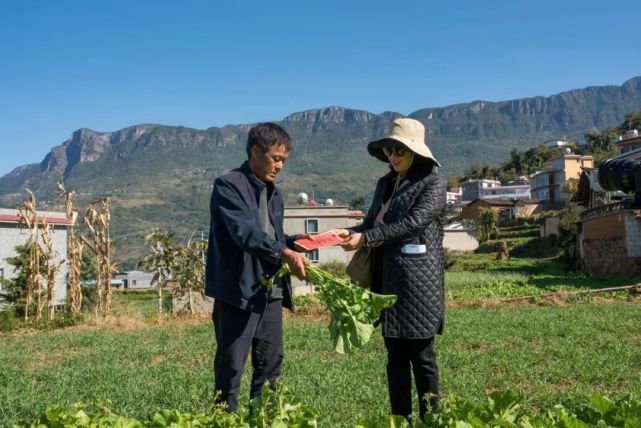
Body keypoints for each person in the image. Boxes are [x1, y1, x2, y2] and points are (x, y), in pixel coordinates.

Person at [336, 118, 446, 420]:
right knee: (394, 357)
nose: (393, 156)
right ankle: (401, 419)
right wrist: (350, 232)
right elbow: (373, 222)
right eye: (389, 150)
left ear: (416, 151)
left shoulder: (433, 182)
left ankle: (431, 420)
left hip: (417, 283)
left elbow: (414, 224)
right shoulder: (385, 184)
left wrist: (366, 238)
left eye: (399, 150)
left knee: (422, 357)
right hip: (386, 278)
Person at [205, 122, 310, 412]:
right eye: (276, 158)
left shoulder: (274, 192)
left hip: (270, 291)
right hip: (239, 291)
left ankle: (263, 418)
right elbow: (246, 233)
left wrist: (296, 242)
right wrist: (284, 251)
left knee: (270, 364)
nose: (280, 166)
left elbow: (271, 237)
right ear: (255, 151)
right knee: (231, 366)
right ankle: (222, 418)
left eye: (284, 161)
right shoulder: (228, 185)